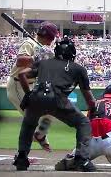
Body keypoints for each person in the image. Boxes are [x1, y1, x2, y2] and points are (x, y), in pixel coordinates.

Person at [13, 37, 97, 172]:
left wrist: (28, 95)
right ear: (72, 53)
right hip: (58, 98)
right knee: (83, 123)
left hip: (36, 96)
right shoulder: (78, 69)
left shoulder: (43, 63)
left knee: (28, 125)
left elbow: (22, 75)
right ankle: (82, 160)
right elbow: (89, 98)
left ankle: (21, 159)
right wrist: (93, 108)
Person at [55, 84, 111, 171]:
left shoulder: (94, 105)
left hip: (91, 145)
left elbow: (86, 127)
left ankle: (74, 157)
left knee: (91, 131)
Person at [6, 21, 58, 152]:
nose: (52, 41)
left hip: (31, 85)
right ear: (48, 36)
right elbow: (19, 61)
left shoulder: (42, 47)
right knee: (31, 119)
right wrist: (37, 57)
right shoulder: (29, 43)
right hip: (17, 85)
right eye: (52, 37)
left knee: (50, 112)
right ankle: (22, 155)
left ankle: (40, 136)